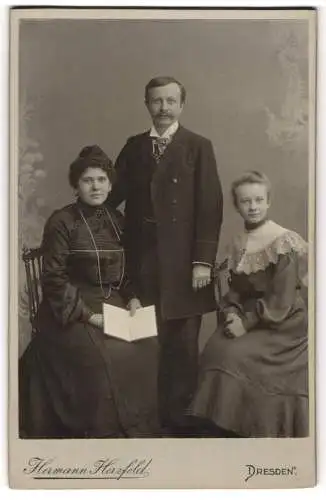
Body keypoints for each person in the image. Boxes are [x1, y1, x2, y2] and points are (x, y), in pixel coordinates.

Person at [106, 76, 223, 435]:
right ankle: (149, 419)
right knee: (146, 343)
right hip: (144, 260)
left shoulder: (197, 146)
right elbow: (111, 198)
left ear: (181, 105)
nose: (163, 108)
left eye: (171, 101)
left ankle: (182, 420)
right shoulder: (135, 147)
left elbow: (210, 206)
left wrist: (202, 261)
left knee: (184, 345)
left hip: (187, 263)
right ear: (146, 105)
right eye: (156, 101)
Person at [19, 145, 160, 439]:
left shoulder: (117, 221)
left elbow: (127, 272)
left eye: (101, 180)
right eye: (87, 180)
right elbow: (54, 279)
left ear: (110, 185)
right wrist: (91, 317)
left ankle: (138, 430)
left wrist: (132, 297)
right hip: (71, 307)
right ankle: (103, 431)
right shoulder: (61, 221)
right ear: (76, 185)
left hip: (114, 301)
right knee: (103, 357)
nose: (95, 186)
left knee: (149, 347)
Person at [189, 171, 309, 438]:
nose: (252, 207)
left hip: (283, 321)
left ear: (268, 202)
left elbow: (282, 298)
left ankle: (259, 427)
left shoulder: (282, 241)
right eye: (245, 201)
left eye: (258, 200)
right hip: (248, 314)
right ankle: (229, 423)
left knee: (235, 355)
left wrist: (247, 323)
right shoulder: (239, 242)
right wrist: (232, 312)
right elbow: (236, 290)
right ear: (237, 206)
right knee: (215, 347)